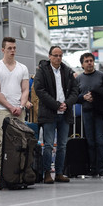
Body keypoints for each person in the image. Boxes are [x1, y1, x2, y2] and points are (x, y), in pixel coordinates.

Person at [34, 46, 79, 184]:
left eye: (60, 55)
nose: (58, 58)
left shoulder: (67, 71)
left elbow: (75, 90)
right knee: (48, 145)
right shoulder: (42, 71)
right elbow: (39, 90)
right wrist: (55, 104)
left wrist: (67, 103)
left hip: (64, 113)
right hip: (49, 113)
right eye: (55, 55)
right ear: (49, 56)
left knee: (62, 145)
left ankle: (59, 172)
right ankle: (47, 172)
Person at [0, 37, 31, 180]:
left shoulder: (23, 68)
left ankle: (20, 175)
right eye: (9, 48)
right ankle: (2, 176)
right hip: (3, 110)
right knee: (3, 143)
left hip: (20, 110)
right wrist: (10, 107)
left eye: (14, 48)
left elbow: (25, 90)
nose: (12, 51)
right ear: (3, 50)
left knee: (21, 142)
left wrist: (21, 106)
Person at [76, 52, 103, 179]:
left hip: (100, 113)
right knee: (90, 142)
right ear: (82, 64)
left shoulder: (102, 76)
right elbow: (74, 96)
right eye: (86, 61)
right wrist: (83, 97)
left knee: (100, 141)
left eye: (91, 61)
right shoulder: (79, 79)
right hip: (86, 112)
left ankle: (102, 169)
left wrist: (95, 95)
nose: (89, 63)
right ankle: (92, 169)